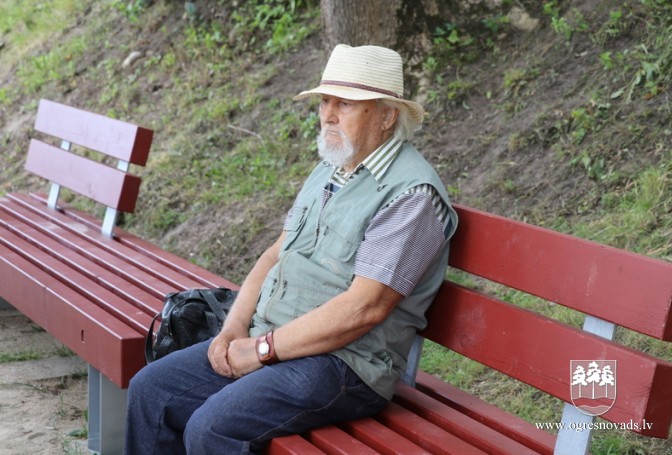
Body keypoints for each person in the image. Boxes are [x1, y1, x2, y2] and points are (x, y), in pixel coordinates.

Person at [124, 44, 458, 454]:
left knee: (212, 428)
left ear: (387, 116)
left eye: (345, 104)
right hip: (275, 341)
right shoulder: (330, 170)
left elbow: (364, 309)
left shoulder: (411, 195)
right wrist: (232, 329)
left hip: (345, 364)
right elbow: (274, 255)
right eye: (325, 101)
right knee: (151, 391)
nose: (328, 114)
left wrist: (261, 350)